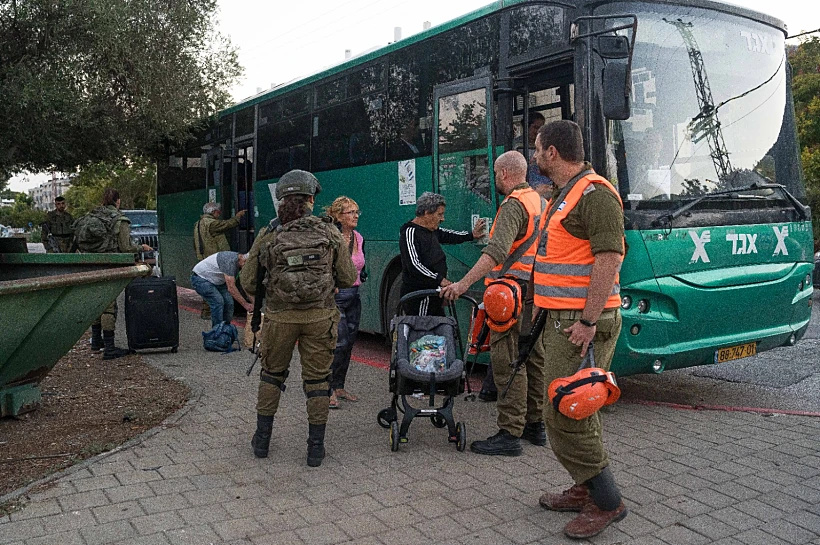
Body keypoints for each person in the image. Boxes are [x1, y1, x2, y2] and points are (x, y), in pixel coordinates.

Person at [530, 120, 627, 539]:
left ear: (552, 152)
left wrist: (587, 321)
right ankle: (586, 486)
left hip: (581, 325)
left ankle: (607, 502)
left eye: (537, 148)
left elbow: (610, 260)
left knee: (566, 411)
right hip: (564, 320)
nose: (534, 156)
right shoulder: (564, 196)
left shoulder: (594, 194)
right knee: (574, 408)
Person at [240, 169, 356, 467]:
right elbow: (347, 277)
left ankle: (262, 441)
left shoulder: (269, 234)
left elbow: (250, 282)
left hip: (279, 318)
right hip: (320, 318)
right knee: (318, 381)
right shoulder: (329, 232)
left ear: (282, 200)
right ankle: (315, 449)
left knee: (271, 375)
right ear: (311, 200)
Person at [441, 151, 548, 456]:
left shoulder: (513, 205)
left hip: (510, 297)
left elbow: (495, 253)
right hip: (534, 294)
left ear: (503, 174)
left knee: (508, 363)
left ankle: (509, 433)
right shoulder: (539, 202)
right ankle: (535, 425)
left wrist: (463, 283)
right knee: (533, 358)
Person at [83, 188, 153, 359]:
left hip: (90, 263)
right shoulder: (120, 220)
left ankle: (95, 341)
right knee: (109, 306)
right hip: (109, 264)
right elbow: (125, 247)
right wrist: (141, 248)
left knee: (97, 302)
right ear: (118, 201)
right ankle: (109, 348)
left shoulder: (93, 215)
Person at [399, 192, 486, 316]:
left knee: (439, 327)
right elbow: (414, 265)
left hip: (434, 293)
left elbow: (450, 235)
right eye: (439, 214)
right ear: (426, 213)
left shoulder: (432, 230)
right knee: (423, 329)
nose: (442, 219)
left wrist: (471, 235)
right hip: (420, 295)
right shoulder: (410, 232)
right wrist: (440, 280)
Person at [324, 196, 366, 410]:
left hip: (354, 295)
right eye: (351, 212)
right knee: (338, 343)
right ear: (339, 216)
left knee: (349, 342)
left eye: (357, 212)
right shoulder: (332, 238)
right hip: (336, 297)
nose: (355, 216)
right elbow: (324, 266)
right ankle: (327, 389)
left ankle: (339, 386)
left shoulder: (359, 237)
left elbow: (360, 267)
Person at [194, 202, 246, 319]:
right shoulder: (211, 223)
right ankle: (209, 313)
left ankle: (207, 312)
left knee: (211, 285)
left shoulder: (199, 223)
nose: (220, 213)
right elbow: (226, 225)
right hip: (213, 258)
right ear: (213, 212)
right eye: (218, 211)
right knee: (214, 286)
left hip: (204, 257)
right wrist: (237, 217)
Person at [191, 251, 253, 328]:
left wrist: (254, 304)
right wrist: (246, 305)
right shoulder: (229, 262)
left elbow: (245, 285)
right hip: (201, 278)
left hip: (217, 280)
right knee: (218, 302)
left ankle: (225, 330)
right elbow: (231, 288)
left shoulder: (240, 262)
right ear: (243, 261)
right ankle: (217, 332)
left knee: (229, 303)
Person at [517, 111, 553, 197]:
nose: (538, 131)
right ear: (526, 127)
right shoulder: (517, 145)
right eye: (535, 127)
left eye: (541, 128)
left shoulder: (545, 143)